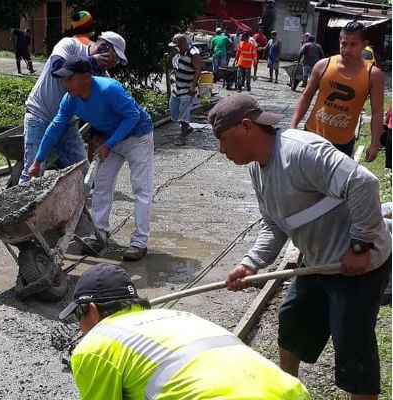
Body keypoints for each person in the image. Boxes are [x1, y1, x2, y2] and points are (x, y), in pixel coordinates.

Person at [208, 93, 392, 400]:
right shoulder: (257, 166)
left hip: (358, 265)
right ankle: (288, 394)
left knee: (353, 347)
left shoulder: (300, 151)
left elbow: (364, 183)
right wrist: (251, 262)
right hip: (319, 261)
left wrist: (360, 246)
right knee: (292, 325)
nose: (221, 150)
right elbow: (274, 222)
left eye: (224, 139)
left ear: (246, 127)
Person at [59, 263, 312, 399]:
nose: (81, 330)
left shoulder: (96, 344)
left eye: (79, 318)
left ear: (91, 310)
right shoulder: (178, 317)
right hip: (292, 393)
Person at [28, 56, 153, 261]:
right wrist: (38, 160)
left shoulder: (109, 89)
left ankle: (139, 242)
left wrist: (109, 145)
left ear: (86, 77)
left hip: (138, 136)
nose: (64, 83)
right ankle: (99, 233)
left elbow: (133, 116)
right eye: (63, 79)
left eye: (69, 79)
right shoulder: (70, 99)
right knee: (101, 185)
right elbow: (55, 128)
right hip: (110, 139)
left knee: (141, 188)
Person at [20, 31, 125, 183]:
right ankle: (25, 205)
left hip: (66, 122)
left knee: (82, 171)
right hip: (39, 114)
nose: (114, 64)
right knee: (33, 174)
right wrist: (92, 62)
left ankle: (79, 206)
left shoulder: (101, 76)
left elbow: (101, 109)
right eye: (114, 58)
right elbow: (57, 68)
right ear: (103, 47)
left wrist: (96, 135)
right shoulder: (69, 45)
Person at [290, 21, 385, 160]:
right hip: (311, 136)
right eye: (344, 43)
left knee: (332, 182)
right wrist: (293, 125)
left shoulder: (373, 75)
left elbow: (377, 111)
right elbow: (306, 95)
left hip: (342, 145)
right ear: (339, 40)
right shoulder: (323, 65)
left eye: (353, 45)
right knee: (302, 180)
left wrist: (374, 144)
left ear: (364, 45)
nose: (346, 49)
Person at [168, 33, 201, 139]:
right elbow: (171, 66)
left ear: (182, 44)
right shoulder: (177, 53)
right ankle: (187, 127)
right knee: (173, 112)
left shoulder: (193, 53)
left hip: (187, 89)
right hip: (177, 87)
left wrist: (193, 86)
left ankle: (182, 137)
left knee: (183, 114)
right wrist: (172, 56)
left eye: (176, 46)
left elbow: (198, 70)